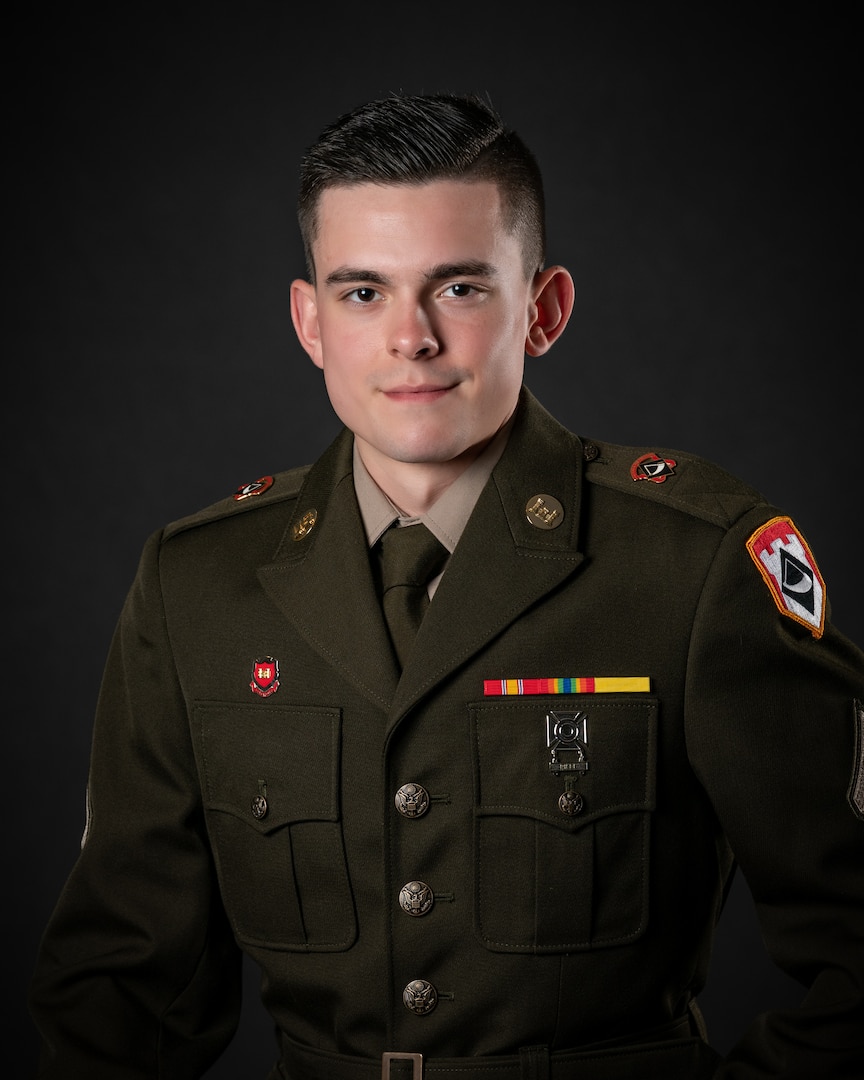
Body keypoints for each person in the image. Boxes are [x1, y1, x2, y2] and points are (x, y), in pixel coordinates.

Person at [29, 92, 864, 1080]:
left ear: (543, 310)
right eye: (362, 292)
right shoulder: (196, 587)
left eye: (460, 289)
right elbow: (121, 1001)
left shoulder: (690, 566)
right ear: (310, 322)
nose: (411, 337)